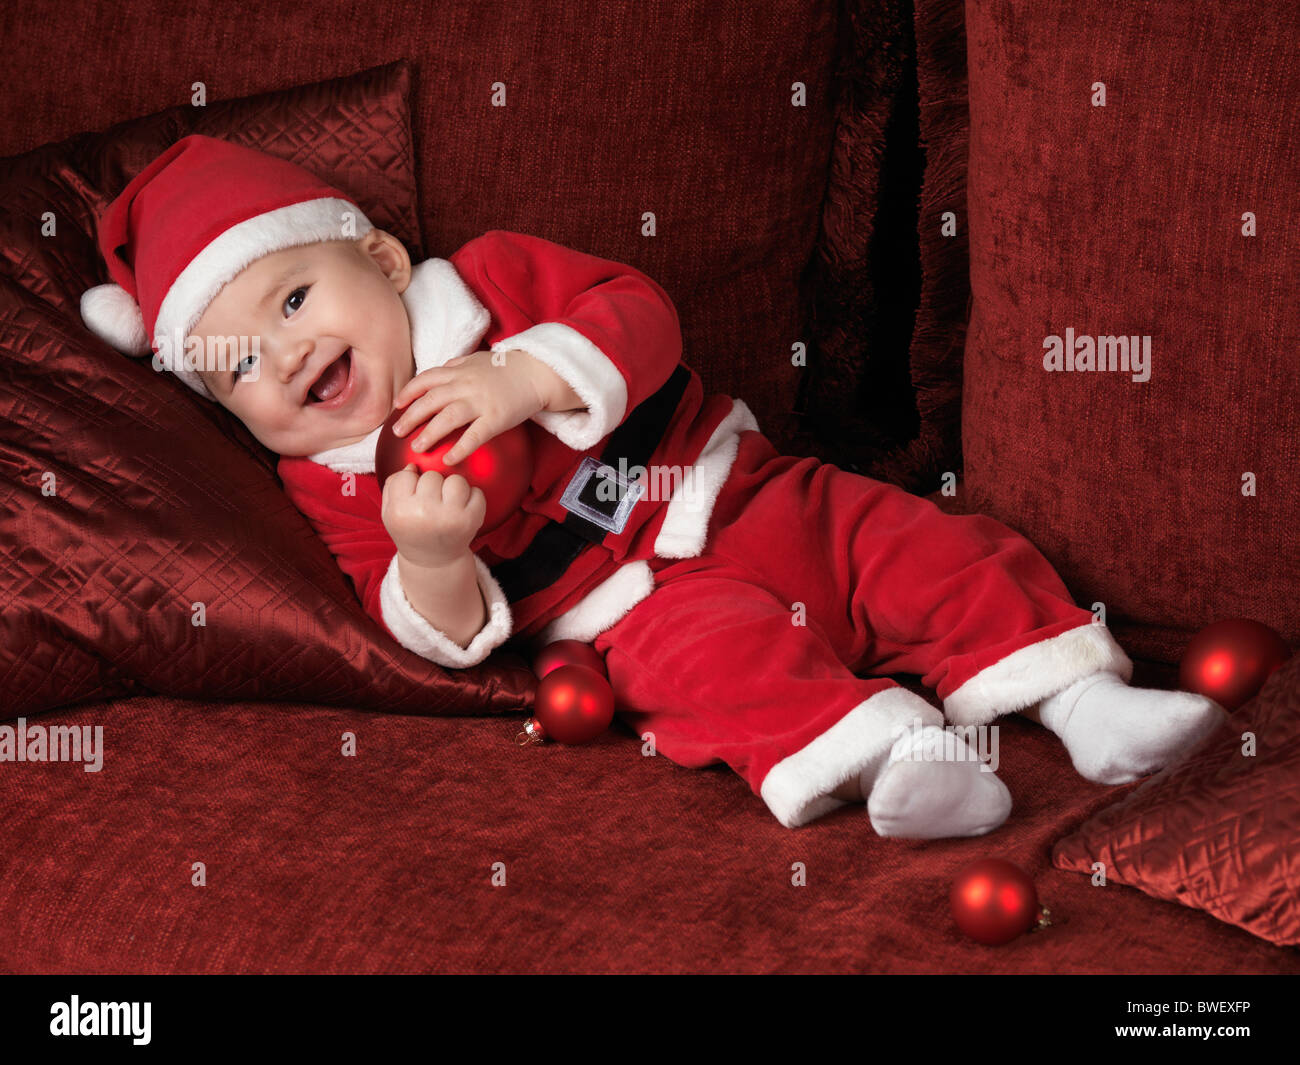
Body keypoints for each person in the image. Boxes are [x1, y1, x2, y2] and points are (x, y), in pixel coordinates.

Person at [81, 134, 1227, 836]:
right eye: (237, 368)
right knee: (711, 673)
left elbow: (637, 313)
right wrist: (431, 560)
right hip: (632, 612)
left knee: (922, 549)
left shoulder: (490, 285)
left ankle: (1081, 700)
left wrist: (523, 375)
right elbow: (403, 617)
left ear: (381, 262)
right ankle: (892, 756)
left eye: (291, 304)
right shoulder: (332, 488)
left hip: (743, 491)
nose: (282, 358)